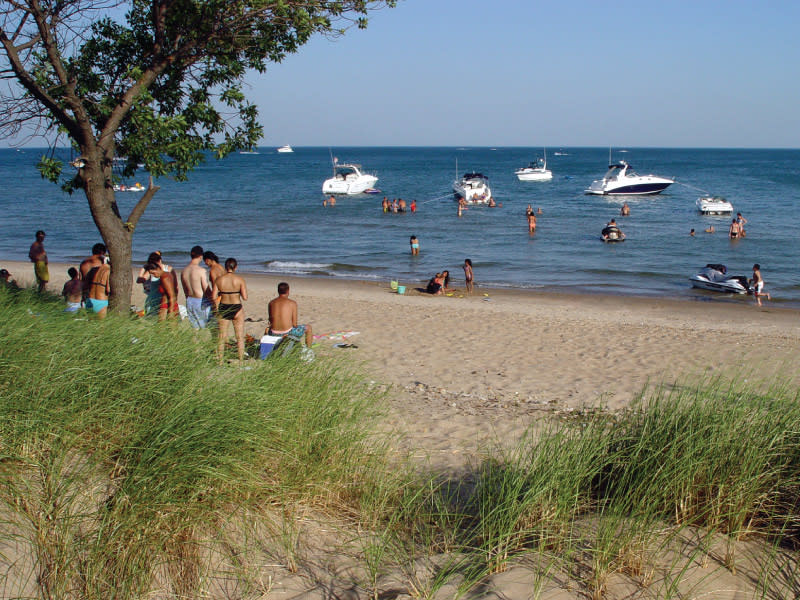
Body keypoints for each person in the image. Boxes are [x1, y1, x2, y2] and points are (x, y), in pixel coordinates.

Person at [213, 258, 248, 364]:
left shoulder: (219, 280)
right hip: (236, 307)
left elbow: (213, 296)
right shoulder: (240, 279)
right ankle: (241, 361)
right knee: (239, 336)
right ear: (235, 267)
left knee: (222, 336)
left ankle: (220, 361)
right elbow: (245, 297)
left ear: (225, 267)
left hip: (224, 307)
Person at [267, 281, 313, 350]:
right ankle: (308, 350)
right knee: (308, 328)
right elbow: (294, 324)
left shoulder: (271, 303)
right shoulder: (292, 303)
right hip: (287, 333)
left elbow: (270, 321)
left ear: (278, 291)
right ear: (288, 291)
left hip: (273, 332)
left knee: (266, 329)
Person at [181, 245, 211, 329]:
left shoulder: (184, 271)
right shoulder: (201, 271)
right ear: (201, 256)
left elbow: (185, 290)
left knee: (195, 328)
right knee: (210, 325)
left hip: (190, 300)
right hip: (201, 301)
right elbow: (206, 289)